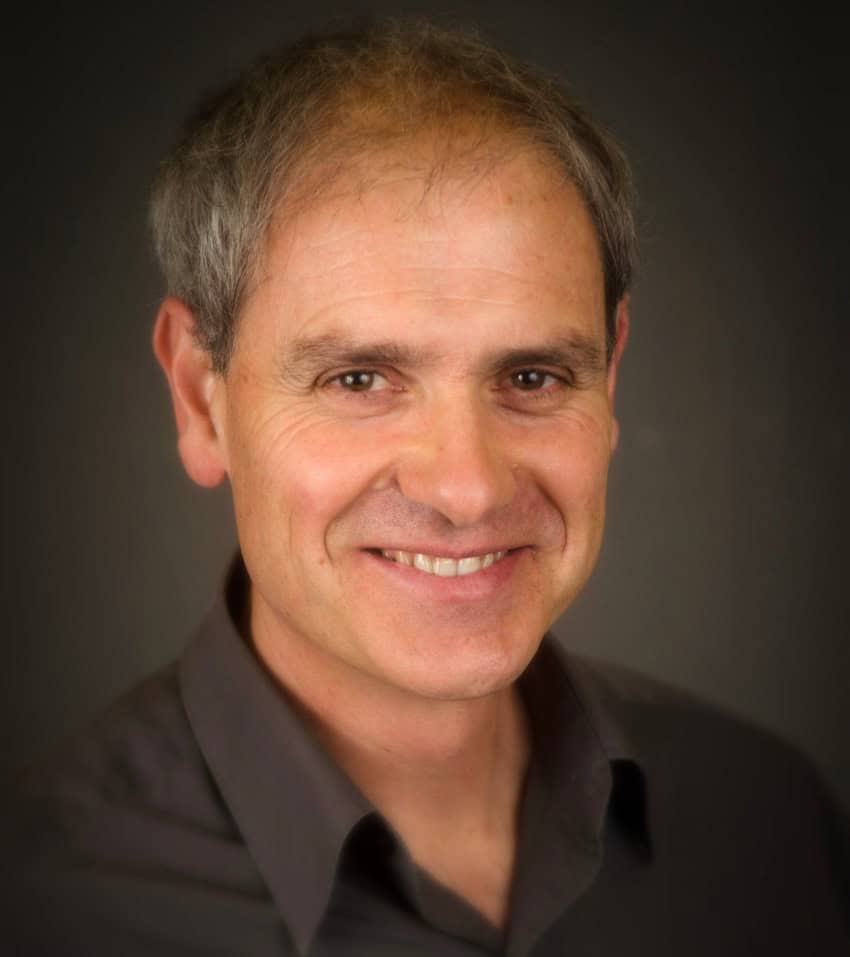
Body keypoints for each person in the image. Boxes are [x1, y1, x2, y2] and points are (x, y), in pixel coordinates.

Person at [5, 19, 847, 956]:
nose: (467, 487)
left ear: (610, 378)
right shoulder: (41, 903)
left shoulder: (770, 828)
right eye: (359, 379)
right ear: (202, 399)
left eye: (531, 378)